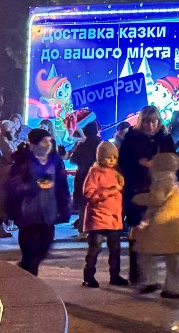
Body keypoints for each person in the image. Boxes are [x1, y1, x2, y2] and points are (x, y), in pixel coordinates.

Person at [119, 106, 177, 282]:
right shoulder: (132, 138)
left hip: (157, 190)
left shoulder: (164, 139)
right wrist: (139, 163)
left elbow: (173, 163)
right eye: (146, 122)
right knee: (137, 230)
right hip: (136, 190)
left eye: (154, 122)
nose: (150, 125)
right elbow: (123, 162)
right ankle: (136, 272)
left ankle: (151, 272)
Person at [4, 129, 71, 276]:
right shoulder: (23, 161)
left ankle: (26, 269)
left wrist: (65, 207)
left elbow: (62, 186)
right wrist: (31, 186)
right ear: (34, 144)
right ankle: (29, 278)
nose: (48, 144)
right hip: (28, 213)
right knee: (30, 252)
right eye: (44, 141)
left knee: (44, 248)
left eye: (49, 141)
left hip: (49, 211)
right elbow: (11, 186)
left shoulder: (55, 161)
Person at [133, 152, 179, 299]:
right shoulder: (174, 181)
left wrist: (138, 198)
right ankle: (174, 288)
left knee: (146, 253)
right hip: (175, 224)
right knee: (173, 259)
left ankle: (151, 280)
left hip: (160, 223)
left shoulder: (162, 180)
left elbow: (156, 199)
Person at [81, 141, 128, 287]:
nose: (112, 160)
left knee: (115, 249)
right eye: (108, 157)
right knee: (95, 248)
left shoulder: (116, 174)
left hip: (113, 217)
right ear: (101, 158)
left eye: (114, 157)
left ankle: (115, 275)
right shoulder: (94, 173)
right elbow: (89, 193)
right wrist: (109, 191)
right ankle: (89, 275)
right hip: (98, 216)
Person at [70, 120, 102, 237]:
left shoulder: (82, 145)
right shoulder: (101, 144)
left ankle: (83, 229)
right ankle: (96, 228)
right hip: (98, 177)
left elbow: (73, 160)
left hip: (82, 176)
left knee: (83, 204)